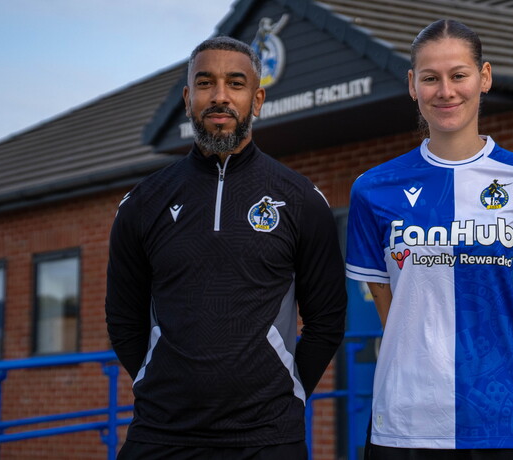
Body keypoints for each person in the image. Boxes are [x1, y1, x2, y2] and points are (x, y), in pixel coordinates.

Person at [105, 36, 347, 459]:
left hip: (268, 439)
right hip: (160, 436)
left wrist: (286, 390)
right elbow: (123, 320)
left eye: (235, 84)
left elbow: (327, 320)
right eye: (205, 83)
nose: (220, 97)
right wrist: (158, 378)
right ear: (187, 98)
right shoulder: (143, 203)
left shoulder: (301, 199)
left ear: (257, 99)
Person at [345, 19, 513, 459]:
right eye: (430, 78)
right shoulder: (372, 189)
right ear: (413, 85)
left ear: (483, 77)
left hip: (503, 421)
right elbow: (392, 310)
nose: (445, 91)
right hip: (405, 421)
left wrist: (491, 381)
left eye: (458, 75)